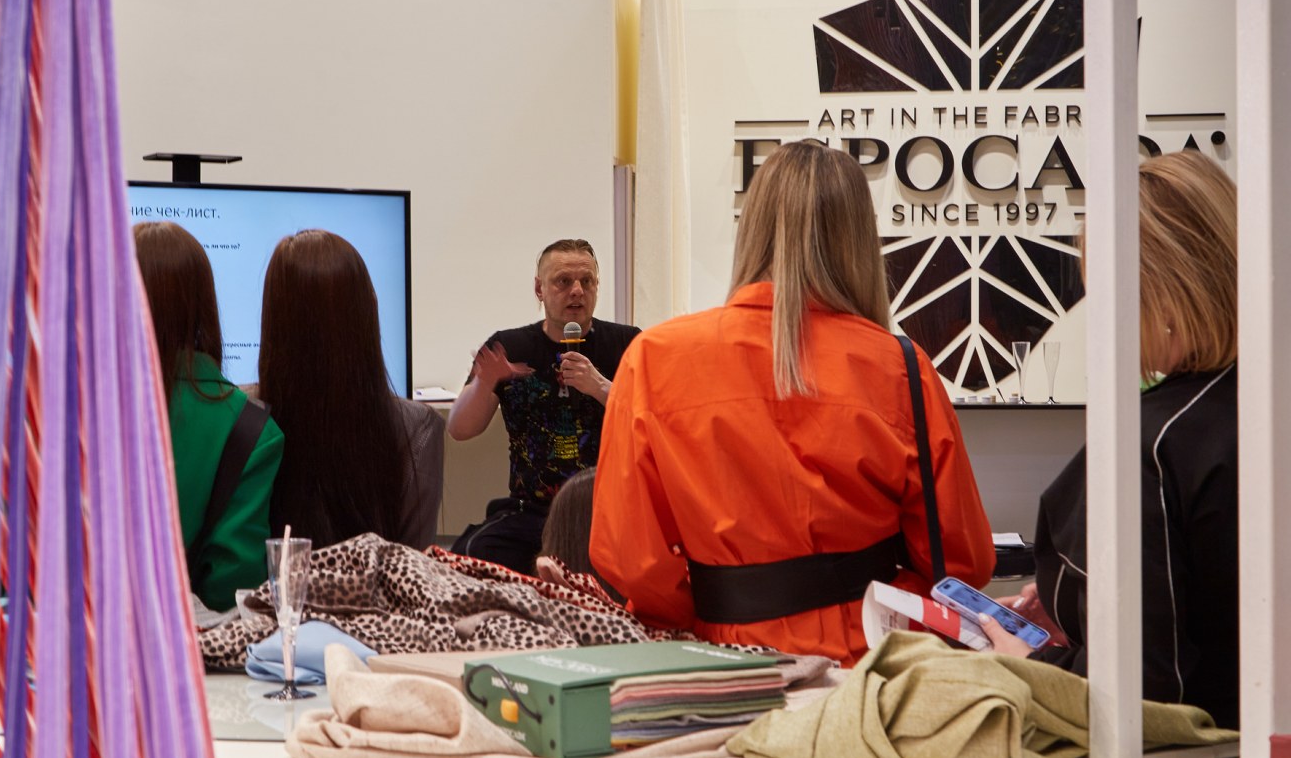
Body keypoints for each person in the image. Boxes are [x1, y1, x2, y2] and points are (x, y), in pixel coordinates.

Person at [588, 140, 995, 665]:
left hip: (724, 667)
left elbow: (631, 559)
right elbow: (961, 562)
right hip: (869, 664)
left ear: (752, 227)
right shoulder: (898, 367)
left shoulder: (653, 359)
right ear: (859, 240)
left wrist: (712, 608)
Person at [981, 150, 1240, 729]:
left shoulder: (1150, 445)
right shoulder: (1256, 406)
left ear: (1156, 288)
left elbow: (1145, 690)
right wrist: (1078, 604)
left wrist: (1033, 665)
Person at [447, 239, 640, 575]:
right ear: (540, 289)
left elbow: (653, 425)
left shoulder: (629, 343)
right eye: (563, 281)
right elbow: (460, 429)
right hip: (531, 511)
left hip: (608, 508)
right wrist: (484, 383)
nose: (577, 291)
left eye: (587, 281)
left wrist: (600, 387)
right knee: (470, 556)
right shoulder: (509, 346)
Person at [258, 229, 443, 551]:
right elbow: (413, 560)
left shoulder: (241, 417)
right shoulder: (418, 427)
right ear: (367, 310)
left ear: (273, 317)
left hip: (269, 585)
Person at [134, 221, 285, 613]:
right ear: (203, 304)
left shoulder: (59, 410)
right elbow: (232, 589)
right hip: (185, 641)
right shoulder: (251, 430)